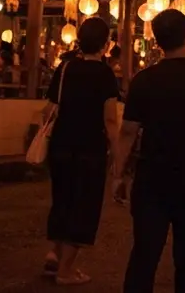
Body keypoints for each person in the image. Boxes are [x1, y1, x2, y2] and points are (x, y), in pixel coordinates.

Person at [114, 9, 185, 293]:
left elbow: (128, 131)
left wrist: (118, 174)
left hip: (151, 175)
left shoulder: (144, 80)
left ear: (157, 41)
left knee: (145, 253)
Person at [41, 16, 120, 285]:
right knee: (83, 205)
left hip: (61, 144)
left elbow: (48, 110)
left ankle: (53, 254)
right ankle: (66, 270)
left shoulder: (65, 68)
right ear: (105, 44)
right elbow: (110, 119)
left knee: (62, 199)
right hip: (90, 148)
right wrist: (117, 154)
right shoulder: (105, 74)